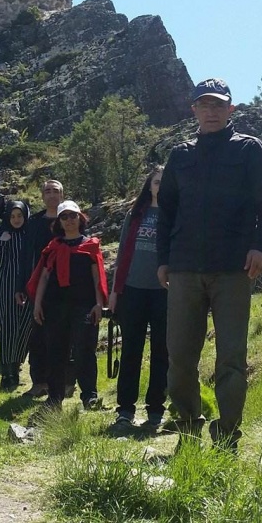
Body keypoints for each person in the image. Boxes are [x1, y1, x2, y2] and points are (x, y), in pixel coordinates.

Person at [156, 78, 262, 452]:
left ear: (231, 109)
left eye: (218, 105)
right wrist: (163, 260)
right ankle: (187, 432)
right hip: (184, 269)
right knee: (180, 358)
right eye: (204, 105)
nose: (210, 111)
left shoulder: (249, 149)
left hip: (233, 270)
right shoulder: (180, 155)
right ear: (193, 110)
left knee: (230, 358)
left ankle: (227, 437)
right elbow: (166, 213)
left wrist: (261, 247)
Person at [28, 200, 107, 411]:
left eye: (73, 216)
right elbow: (44, 277)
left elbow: (97, 277)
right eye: (64, 217)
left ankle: (89, 396)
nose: (69, 220)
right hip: (55, 307)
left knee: (85, 351)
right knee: (56, 352)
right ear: (59, 222)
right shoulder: (53, 247)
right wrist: (37, 304)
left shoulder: (90, 246)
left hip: (84, 306)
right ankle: (55, 398)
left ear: (80, 218)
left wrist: (99, 304)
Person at [108, 165, 168, 429]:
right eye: (156, 182)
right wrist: (115, 292)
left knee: (162, 351)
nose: (160, 187)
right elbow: (122, 254)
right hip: (132, 289)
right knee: (131, 349)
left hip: (164, 291)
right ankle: (125, 409)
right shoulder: (135, 214)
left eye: (164, 183)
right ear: (149, 186)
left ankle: (156, 409)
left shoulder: (175, 213)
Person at [17, 178, 66, 399]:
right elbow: (25, 255)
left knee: (65, 336)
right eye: (48, 191)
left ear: (62, 194)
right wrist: (21, 285)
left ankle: (66, 382)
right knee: (37, 336)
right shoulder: (34, 223)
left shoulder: (71, 218)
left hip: (67, 286)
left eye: (55, 191)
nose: (52, 195)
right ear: (42, 196)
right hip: (38, 287)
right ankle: (39, 382)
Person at [0, 199, 35, 391]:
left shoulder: (30, 234)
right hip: (7, 283)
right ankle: (6, 371)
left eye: (20, 216)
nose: (16, 219)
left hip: (28, 284)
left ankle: (16, 367)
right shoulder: (4, 235)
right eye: (13, 216)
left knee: (24, 326)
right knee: (6, 326)